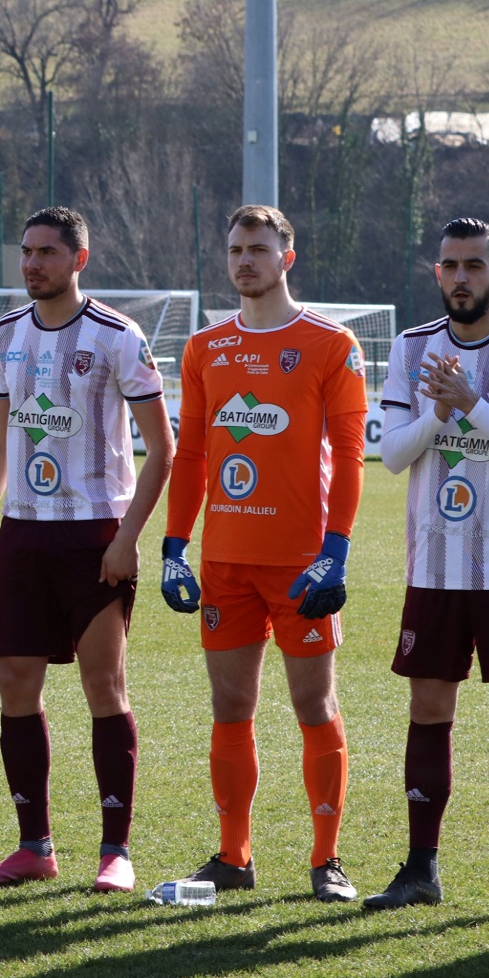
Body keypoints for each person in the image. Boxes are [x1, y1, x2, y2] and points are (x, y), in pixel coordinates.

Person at [0, 207, 174, 892]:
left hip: (93, 534)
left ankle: (116, 851)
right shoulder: (4, 335)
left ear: (78, 260)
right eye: (26, 252)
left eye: (47, 252)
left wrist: (128, 539)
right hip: (23, 534)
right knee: (15, 685)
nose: (32, 264)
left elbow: (162, 450)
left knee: (103, 684)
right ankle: (34, 846)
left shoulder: (117, 335)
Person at [160, 205, 366, 902]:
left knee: (314, 705)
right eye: (234, 249)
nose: (244, 260)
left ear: (288, 256)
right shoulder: (204, 348)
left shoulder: (328, 343)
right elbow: (189, 455)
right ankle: (233, 857)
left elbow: (350, 452)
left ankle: (326, 860)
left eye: (258, 248)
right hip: (225, 562)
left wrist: (335, 553)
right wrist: (172, 547)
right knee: (230, 704)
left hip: (301, 562)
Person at [365, 218, 489, 913]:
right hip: (434, 565)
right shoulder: (412, 348)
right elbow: (394, 455)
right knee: (428, 705)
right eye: (449, 265)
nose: (460, 277)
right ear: (436, 273)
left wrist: (472, 403)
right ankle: (420, 871)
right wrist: (441, 414)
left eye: (473, 266)